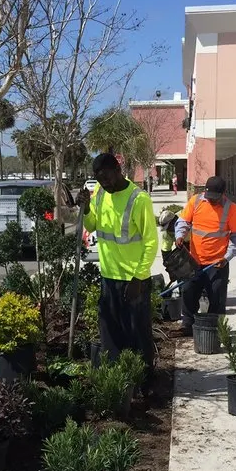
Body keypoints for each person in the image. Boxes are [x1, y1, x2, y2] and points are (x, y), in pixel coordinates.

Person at [75, 153, 159, 380]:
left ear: (118, 170)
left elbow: (151, 242)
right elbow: (92, 226)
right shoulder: (100, 194)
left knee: (138, 335)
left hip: (133, 280)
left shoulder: (138, 199)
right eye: (100, 180)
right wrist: (85, 208)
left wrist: (139, 278)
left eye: (108, 179)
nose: (106, 184)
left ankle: (144, 381)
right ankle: (117, 380)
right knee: (110, 333)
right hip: (108, 277)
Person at [175, 176, 236, 335]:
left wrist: (227, 257)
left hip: (217, 264)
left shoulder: (232, 209)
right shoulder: (196, 201)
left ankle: (215, 329)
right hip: (194, 261)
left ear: (223, 193)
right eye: (209, 196)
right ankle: (187, 325)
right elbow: (183, 222)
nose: (211, 200)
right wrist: (180, 236)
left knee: (217, 297)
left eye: (215, 197)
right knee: (188, 291)